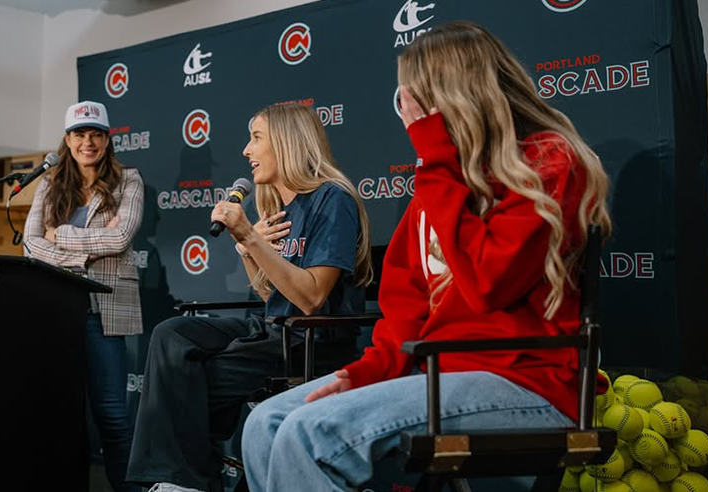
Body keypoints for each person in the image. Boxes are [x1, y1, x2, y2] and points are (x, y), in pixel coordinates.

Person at [241, 21, 613, 492]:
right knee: (266, 423)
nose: (406, 112)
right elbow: (406, 309)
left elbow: (487, 284)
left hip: (526, 382)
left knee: (308, 433)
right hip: (435, 373)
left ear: (450, 95)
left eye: (412, 99)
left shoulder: (547, 162)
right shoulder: (439, 185)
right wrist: (364, 373)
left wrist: (435, 154)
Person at [126, 103, 374, 492]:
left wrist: (250, 238)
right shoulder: (283, 208)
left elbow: (311, 298)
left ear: (288, 143)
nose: (246, 150)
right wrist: (247, 251)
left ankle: (185, 483)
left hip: (312, 341)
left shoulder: (333, 199)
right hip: (273, 330)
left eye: (256, 138)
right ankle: (183, 482)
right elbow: (269, 293)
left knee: (188, 385)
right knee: (172, 333)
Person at [23, 100, 144, 492]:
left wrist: (62, 235)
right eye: (79, 134)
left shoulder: (129, 180)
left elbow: (120, 238)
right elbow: (31, 242)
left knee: (112, 415)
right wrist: (81, 254)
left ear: (107, 140)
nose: (87, 142)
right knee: (57, 410)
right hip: (55, 308)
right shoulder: (49, 183)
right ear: (68, 139)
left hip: (102, 310)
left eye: (96, 135)